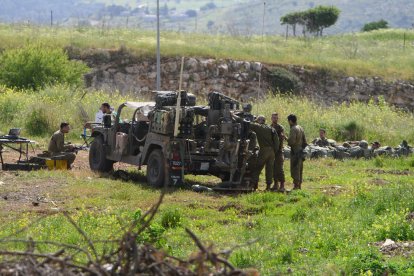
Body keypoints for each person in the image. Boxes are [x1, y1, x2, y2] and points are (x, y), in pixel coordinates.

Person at [234, 114, 279, 191]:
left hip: (264, 150)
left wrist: (234, 116)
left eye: (257, 120)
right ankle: (268, 186)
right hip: (272, 152)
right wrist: (274, 151)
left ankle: (253, 185)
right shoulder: (271, 128)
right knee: (269, 169)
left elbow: (246, 123)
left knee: (257, 168)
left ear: (259, 121)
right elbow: (277, 142)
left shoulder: (259, 127)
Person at [287, 114, 307, 190]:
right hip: (301, 151)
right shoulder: (301, 128)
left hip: (295, 151)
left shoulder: (293, 129)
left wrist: (286, 138)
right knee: (300, 169)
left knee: (295, 168)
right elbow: (305, 141)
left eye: (288, 121)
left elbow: (291, 142)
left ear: (290, 121)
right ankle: (299, 186)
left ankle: (296, 186)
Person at [271, 112, 286, 192]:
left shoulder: (280, 127)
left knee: (280, 168)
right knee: (273, 168)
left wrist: (282, 136)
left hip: (279, 151)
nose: (275, 119)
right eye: (273, 117)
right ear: (271, 118)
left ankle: (282, 185)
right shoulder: (270, 127)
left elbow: (282, 136)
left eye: (276, 118)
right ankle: (275, 184)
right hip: (272, 151)